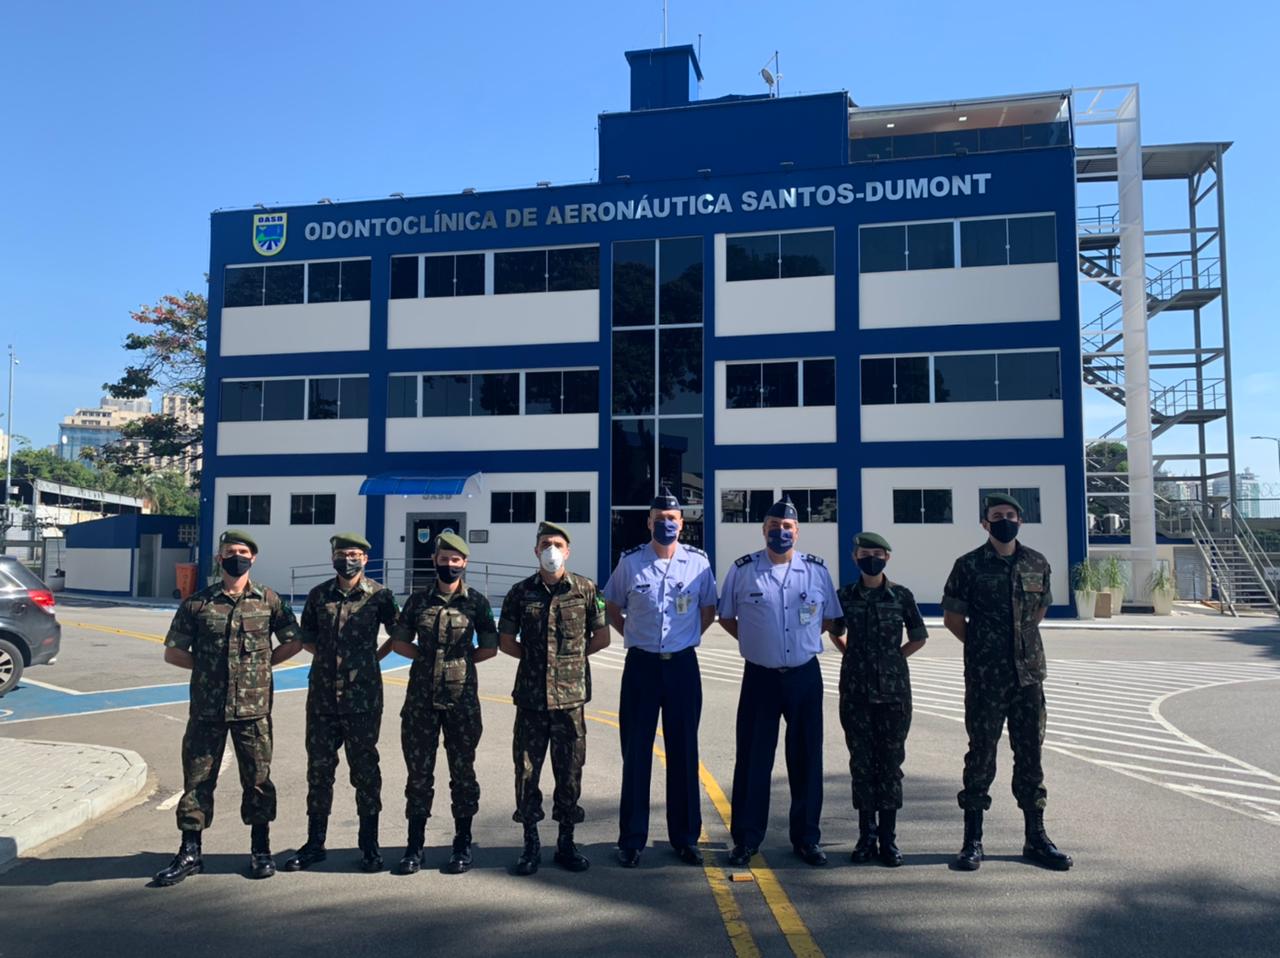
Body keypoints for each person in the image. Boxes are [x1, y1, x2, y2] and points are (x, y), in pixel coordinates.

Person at [153, 530, 302, 886]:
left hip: (253, 710)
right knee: (197, 781)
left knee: (258, 780)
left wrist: (262, 667)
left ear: (253, 558)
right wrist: (209, 670)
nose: (236, 557)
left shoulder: (269, 600)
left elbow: (294, 642)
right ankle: (190, 851)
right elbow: (173, 651)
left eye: (242, 551)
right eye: (229, 552)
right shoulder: (198, 603)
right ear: (219, 559)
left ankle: (260, 849)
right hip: (207, 709)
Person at [942, 492, 1073, 871]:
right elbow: (953, 619)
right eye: (996, 516)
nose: (1004, 520)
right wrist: (987, 647)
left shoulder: (1036, 561)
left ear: (1020, 521)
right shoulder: (967, 565)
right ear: (985, 524)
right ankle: (972, 841)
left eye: (1010, 515)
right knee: (980, 756)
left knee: (1030, 755)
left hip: (1028, 677)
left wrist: (1017, 648)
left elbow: (1040, 610)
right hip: (986, 678)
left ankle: (1036, 838)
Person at [718, 496, 842, 868]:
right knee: (753, 759)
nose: (781, 532)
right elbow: (726, 617)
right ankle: (746, 839)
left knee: (806, 759)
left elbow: (828, 618)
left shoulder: (817, 572)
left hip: (804, 676)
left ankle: (807, 838)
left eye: (788, 527)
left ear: (797, 531)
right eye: (774, 527)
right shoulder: (743, 570)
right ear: (764, 530)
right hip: (760, 676)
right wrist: (757, 642)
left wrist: (796, 643)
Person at [603, 486, 717, 868]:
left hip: (683, 665)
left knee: (684, 751)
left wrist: (687, 639)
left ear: (682, 523)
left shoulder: (699, 563)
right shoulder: (631, 562)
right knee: (636, 753)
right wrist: (635, 636)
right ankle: (632, 839)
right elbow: (613, 605)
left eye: (672, 518)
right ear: (648, 522)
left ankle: (685, 837)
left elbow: (707, 609)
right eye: (659, 519)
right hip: (642, 667)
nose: (666, 524)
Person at [499, 520, 610, 875]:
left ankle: (566, 841)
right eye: (545, 543)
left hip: (570, 701)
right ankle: (530, 843)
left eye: (557, 544)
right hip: (531, 700)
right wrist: (537, 662)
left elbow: (602, 636)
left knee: (570, 771)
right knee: (527, 772)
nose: (551, 549)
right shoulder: (519, 593)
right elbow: (505, 641)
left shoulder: (585, 589)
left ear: (567, 551)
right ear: (536, 550)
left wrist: (569, 663)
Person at [284, 533, 398, 873]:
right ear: (333, 557)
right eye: (341, 553)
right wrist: (330, 660)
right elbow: (307, 638)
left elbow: (399, 634)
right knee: (319, 771)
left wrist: (371, 659)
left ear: (365, 558)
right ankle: (315, 843)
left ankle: (369, 845)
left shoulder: (380, 596)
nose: (347, 559)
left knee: (365, 771)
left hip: (362, 698)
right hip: (321, 698)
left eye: (353, 554)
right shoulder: (319, 595)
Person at [390, 531, 498, 875]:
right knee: (418, 776)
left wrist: (458, 662)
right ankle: (414, 846)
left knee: (462, 774)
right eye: (444, 559)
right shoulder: (418, 600)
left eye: (456, 560)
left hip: (461, 701)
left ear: (465, 563)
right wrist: (428, 660)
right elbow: (400, 642)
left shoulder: (476, 602)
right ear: (434, 560)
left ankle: (462, 844)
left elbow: (490, 646)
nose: (450, 565)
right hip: (421, 701)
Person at [833, 532, 927, 867]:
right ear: (854, 556)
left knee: (889, 766)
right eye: (864, 552)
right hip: (856, 693)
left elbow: (919, 636)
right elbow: (834, 631)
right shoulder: (844, 595)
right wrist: (853, 655)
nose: (870, 558)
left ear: (887, 557)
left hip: (893, 695)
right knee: (861, 765)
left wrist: (893, 659)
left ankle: (888, 839)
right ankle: (865, 836)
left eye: (876, 553)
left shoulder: (901, 596)